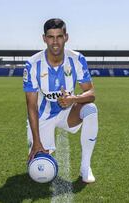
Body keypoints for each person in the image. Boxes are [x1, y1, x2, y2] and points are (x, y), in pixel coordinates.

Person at [23, 18, 98, 183]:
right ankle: (40, 145)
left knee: (91, 109)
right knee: (40, 167)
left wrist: (74, 99)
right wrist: (36, 142)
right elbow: (31, 106)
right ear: (44, 38)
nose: (55, 42)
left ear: (66, 37)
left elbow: (91, 93)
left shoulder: (77, 59)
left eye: (59, 36)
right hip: (43, 115)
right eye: (50, 37)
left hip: (68, 113)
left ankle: (86, 167)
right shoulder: (32, 64)